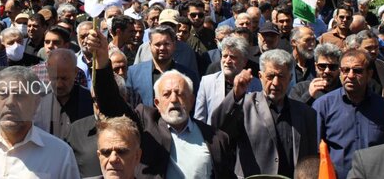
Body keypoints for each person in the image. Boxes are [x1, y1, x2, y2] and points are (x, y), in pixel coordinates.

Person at [87, 28, 235, 178]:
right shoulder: (146, 125)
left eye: (180, 93)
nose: (174, 99)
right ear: (157, 102)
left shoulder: (216, 138)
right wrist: (102, 59)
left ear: (192, 100)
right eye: (167, 94)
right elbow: (111, 104)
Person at [212, 49, 317, 178]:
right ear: (260, 77)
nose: (275, 83)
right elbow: (218, 127)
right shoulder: (244, 105)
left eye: (281, 76)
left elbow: (311, 159)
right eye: (270, 76)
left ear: (290, 78)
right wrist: (235, 94)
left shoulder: (306, 113)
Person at [313, 49, 384, 179]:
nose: (350, 76)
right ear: (340, 73)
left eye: (357, 71)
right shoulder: (323, 106)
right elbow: (316, 151)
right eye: (345, 70)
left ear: (369, 74)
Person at [126, 26, 199, 107]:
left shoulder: (188, 75)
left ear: (174, 45)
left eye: (166, 44)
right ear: (150, 45)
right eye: (157, 44)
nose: (162, 48)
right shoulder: (133, 74)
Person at [195, 36, 260, 124]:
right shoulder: (207, 82)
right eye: (225, 56)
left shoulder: (257, 85)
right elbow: (199, 119)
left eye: (233, 57)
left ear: (244, 61)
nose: (227, 61)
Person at [34, 48, 94, 139]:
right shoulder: (36, 100)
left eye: (64, 79)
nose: (59, 85)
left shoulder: (89, 100)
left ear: (75, 72)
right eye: (55, 78)